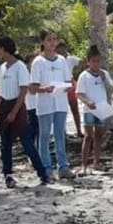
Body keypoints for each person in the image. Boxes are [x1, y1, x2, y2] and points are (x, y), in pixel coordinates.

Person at [0, 37, 50, 187]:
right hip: (4, 106)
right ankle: (8, 174)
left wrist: (14, 112)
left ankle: (42, 172)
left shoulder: (19, 67)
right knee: (5, 144)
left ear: (4, 49)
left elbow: (23, 90)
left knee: (26, 142)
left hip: (17, 106)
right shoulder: (2, 67)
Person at [30, 30, 75, 180]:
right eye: (49, 40)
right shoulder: (38, 62)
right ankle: (46, 167)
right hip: (45, 103)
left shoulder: (62, 60)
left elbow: (68, 81)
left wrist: (67, 87)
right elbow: (32, 87)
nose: (52, 43)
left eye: (54, 39)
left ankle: (63, 166)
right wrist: (44, 89)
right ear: (43, 42)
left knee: (60, 134)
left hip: (60, 102)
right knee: (44, 136)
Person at [76, 45, 113, 175]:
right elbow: (79, 93)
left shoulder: (104, 74)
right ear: (88, 61)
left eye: (98, 61)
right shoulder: (84, 76)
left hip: (102, 108)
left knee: (99, 136)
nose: (96, 64)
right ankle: (83, 164)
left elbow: (111, 89)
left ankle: (96, 163)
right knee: (88, 136)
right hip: (89, 110)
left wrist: (104, 78)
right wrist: (88, 102)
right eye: (94, 61)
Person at [56, 41, 83, 138]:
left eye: (62, 49)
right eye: (59, 50)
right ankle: (63, 132)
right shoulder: (56, 60)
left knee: (74, 107)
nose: (61, 52)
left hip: (69, 82)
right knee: (62, 109)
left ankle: (79, 130)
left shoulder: (70, 59)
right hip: (60, 83)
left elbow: (82, 62)